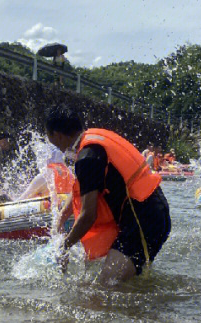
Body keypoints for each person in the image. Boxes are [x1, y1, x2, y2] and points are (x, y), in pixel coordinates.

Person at [45, 106, 171, 285]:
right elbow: (85, 188)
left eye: (49, 137)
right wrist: (64, 214)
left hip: (143, 221)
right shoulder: (94, 140)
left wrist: (64, 246)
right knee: (124, 284)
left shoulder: (87, 157)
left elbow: (89, 215)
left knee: (106, 286)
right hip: (149, 212)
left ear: (56, 134)